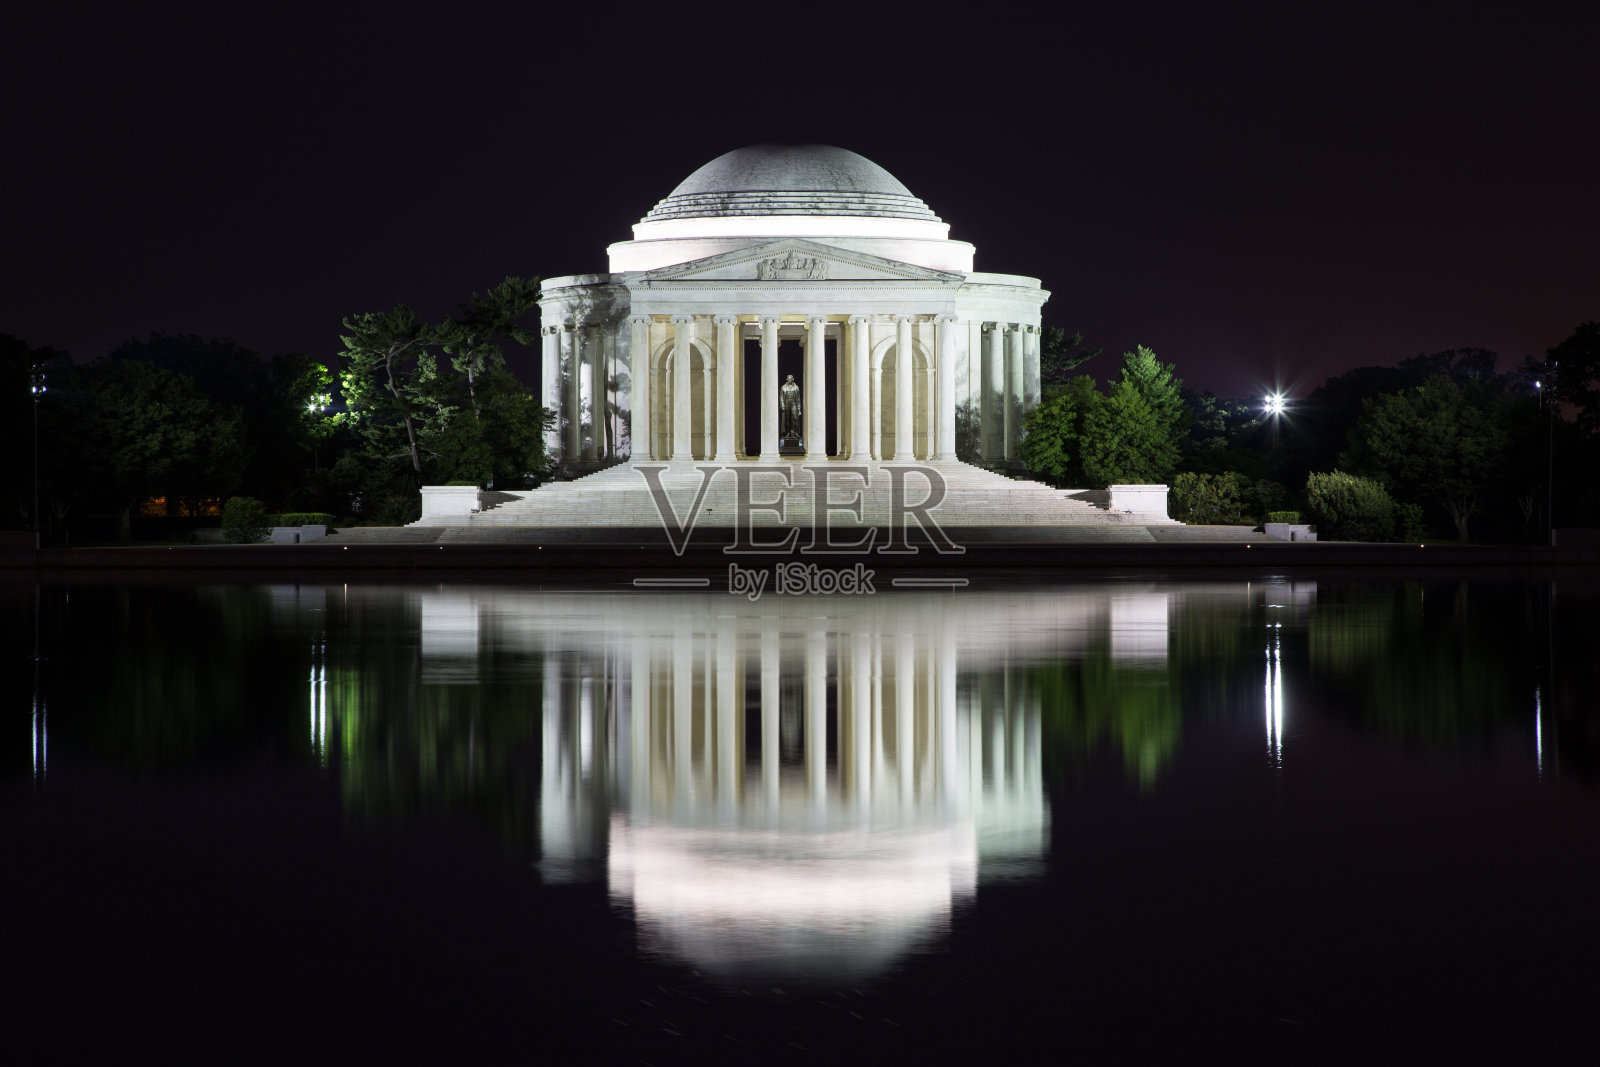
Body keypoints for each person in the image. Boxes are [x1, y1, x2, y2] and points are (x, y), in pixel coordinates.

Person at [779, 373, 802, 440]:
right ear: (787, 379)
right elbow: (781, 397)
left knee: (794, 418)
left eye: (790, 379)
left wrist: (799, 409)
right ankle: (788, 433)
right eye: (788, 378)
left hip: (793, 404)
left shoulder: (796, 387)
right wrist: (782, 405)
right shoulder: (783, 387)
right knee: (787, 419)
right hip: (786, 404)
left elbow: (798, 399)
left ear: (793, 379)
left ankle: (794, 432)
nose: (789, 380)